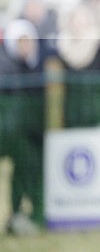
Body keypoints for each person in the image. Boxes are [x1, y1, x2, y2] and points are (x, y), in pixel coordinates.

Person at [0, 19, 45, 234]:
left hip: (17, 132)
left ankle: (18, 215)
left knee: (23, 171)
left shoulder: (26, 65)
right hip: (10, 132)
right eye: (21, 42)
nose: (26, 47)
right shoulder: (7, 65)